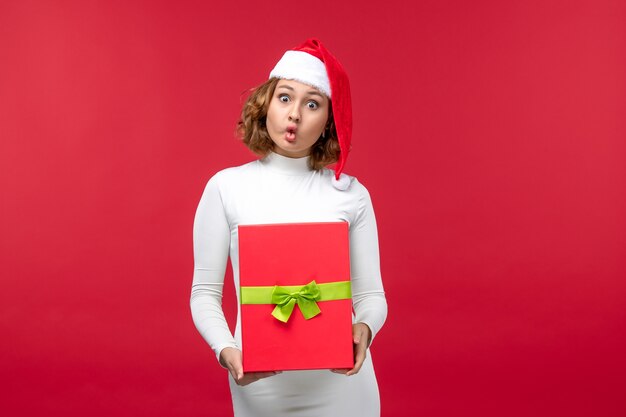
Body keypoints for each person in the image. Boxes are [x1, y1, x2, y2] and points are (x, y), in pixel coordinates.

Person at [190, 38, 387, 417]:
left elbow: (373, 296)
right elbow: (203, 293)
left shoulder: (351, 194)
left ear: (329, 120)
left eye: (312, 103)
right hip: (261, 388)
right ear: (266, 104)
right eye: (284, 97)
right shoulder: (225, 188)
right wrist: (226, 350)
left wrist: (364, 328)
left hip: (344, 388)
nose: (294, 114)